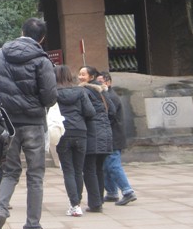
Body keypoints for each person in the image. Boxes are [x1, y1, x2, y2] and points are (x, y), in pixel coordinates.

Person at [0, 18, 57, 229]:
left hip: (7, 123)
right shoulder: (42, 60)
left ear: (22, 31)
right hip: (34, 123)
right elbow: (50, 96)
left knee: (10, 171)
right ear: (42, 38)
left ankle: (0, 209)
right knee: (35, 175)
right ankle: (33, 228)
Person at [54, 65, 95, 217]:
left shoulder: (53, 93)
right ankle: (77, 202)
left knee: (68, 170)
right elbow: (90, 111)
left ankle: (74, 204)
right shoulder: (80, 91)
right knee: (78, 170)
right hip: (80, 131)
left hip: (62, 132)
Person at [78, 65, 114, 213]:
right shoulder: (103, 92)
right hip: (106, 133)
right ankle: (99, 200)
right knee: (98, 168)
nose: (80, 77)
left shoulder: (84, 91)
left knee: (89, 169)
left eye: (83, 75)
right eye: (80, 74)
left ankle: (94, 203)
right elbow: (112, 110)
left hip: (92, 133)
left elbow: (87, 111)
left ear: (91, 77)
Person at [99, 71, 137, 206]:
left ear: (108, 82)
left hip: (113, 136)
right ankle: (112, 192)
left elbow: (110, 115)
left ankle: (128, 191)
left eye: (101, 82)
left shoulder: (110, 97)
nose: (98, 84)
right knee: (105, 166)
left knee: (113, 165)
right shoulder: (105, 95)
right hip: (108, 136)